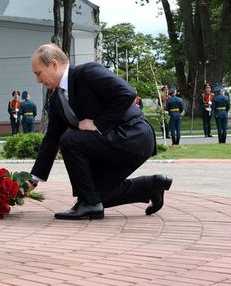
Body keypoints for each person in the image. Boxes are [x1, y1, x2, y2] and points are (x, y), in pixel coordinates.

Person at [27, 44, 172, 220]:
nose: (38, 80)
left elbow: (126, 93)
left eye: (38, 73)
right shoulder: (56, 99)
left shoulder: (87, 72)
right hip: (111, 144)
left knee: (70, 141)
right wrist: (33, 179)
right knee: (93, 193)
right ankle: (151, 186)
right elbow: (51, 139)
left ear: (54, 64)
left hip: (134, 136)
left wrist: (98, 123)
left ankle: (89, 204)